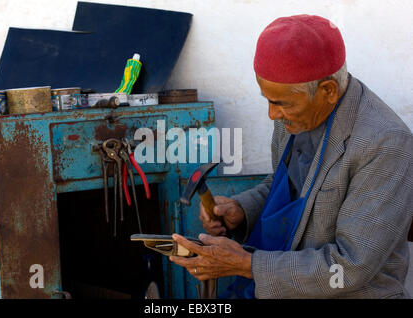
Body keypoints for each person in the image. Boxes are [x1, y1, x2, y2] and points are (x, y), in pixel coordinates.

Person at [169, 14, 413, 298]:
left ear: (328, 91)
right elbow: (287, 186)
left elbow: (349, 270)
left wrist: (248, 264)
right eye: (268, 100)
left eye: (280, 103)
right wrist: (242, 209)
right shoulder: (295, 111)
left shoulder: (385, 144)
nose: (272, 114)